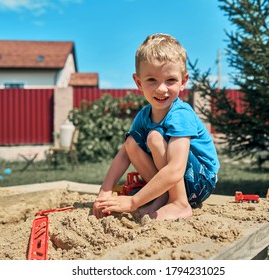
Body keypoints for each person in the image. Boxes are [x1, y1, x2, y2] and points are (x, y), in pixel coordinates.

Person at [93, 33, 220, 220]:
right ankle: (164, 196)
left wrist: (133, 202)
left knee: (154, 137)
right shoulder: (144, 115)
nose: (161, 89)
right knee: (130, 143)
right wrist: (105, 190)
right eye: (152, 80)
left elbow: (176, 168)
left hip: (200, 180)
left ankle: (179, 203)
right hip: (173, 178)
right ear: (139, 83)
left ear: (183, 81)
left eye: (170, 80)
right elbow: (125, 154)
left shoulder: (181, 114)